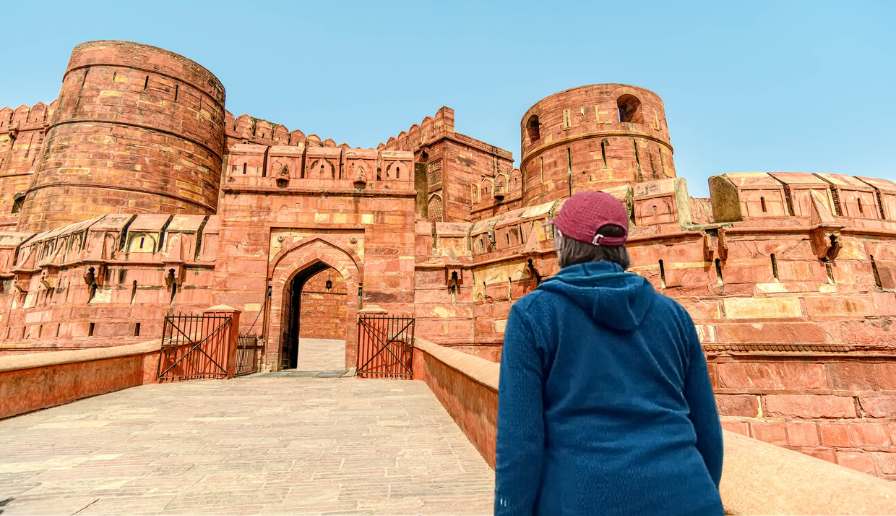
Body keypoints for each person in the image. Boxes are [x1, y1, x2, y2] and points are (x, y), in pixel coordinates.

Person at [494, 191, 723, 516]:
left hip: (581, 501)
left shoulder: (533, 315)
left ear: (563, 242)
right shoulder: (673, 315)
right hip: (688, 496)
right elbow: (708, 433)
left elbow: (520, 445)